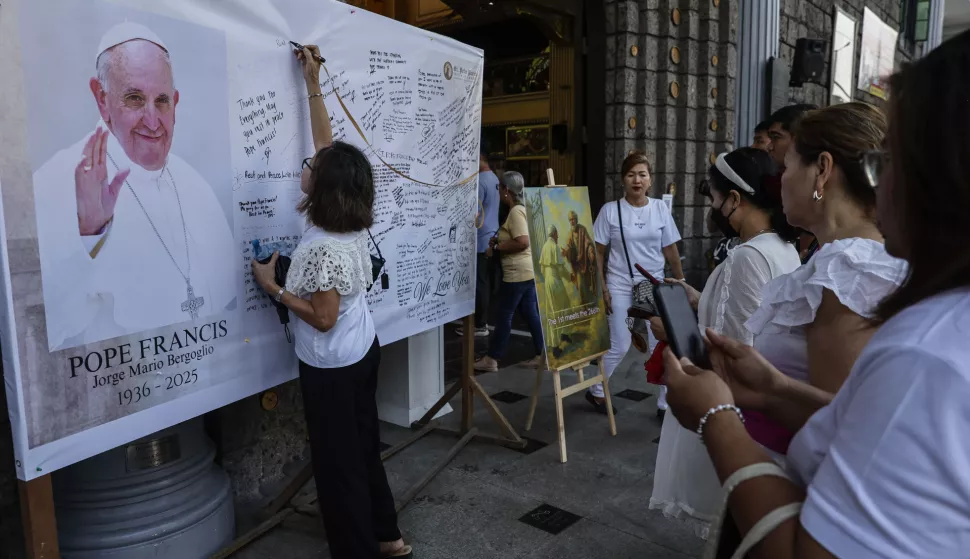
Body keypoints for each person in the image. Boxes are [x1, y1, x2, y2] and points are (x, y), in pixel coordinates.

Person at [663, 31, 970, 559]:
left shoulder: (922, 352)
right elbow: (861, 428)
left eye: (891, 160)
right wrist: (774, 390)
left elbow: (815, 528)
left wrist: (717, 416)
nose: (881, 183)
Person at [251, 45, 410, 559]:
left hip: (333, 365)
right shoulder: (345, 219)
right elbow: (328, 145)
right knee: (364, 448)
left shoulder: (320, 245)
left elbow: (322, 318)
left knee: (337, 466)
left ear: (321, 187)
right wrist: (311, 81)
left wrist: (273, 287)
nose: (308, 164)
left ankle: (357, 548)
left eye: (311, 167)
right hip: (361, 351)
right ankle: (388, 536)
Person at [32, 22, 234, 351]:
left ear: (176, 102)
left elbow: (227, 303)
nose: (153, 122)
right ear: (102, 99)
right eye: (135, 99)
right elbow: (44, 327)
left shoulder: (194, 183)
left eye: (163, 101)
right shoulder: (54, 181)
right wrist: (87, 232)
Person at [648, 148, 801, 538]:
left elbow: (736, 347)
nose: (713, 208)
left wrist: (672, 329)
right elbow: (752, 316)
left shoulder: (746, 257)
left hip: (734, 408)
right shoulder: (780, 248)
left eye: (714, 198)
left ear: (734, 199)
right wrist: (701, 300)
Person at [592, 151, 683, 416]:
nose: (637, 180)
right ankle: (597, 391)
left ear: (650, 180)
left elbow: (671, 249)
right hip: (620, 284)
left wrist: (681, 281)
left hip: (653, 286)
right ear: (623, 179)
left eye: (642, 174)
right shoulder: (611, 211)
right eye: (631, 174)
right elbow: (597, 251)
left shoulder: (660, 209)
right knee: (620, 343)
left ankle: (664, 403)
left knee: (660, 344)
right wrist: (603, 289)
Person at [473, 172, 545, 372]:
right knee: (530, 313)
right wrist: (500, 242)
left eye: (499, 188)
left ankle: (492, 358)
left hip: (516, 273)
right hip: (527, 271)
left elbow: (522, 241)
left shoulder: (516, 212)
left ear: (506, 190)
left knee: (504, 314)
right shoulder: (524, 209)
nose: (498, 193)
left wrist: (497, 248)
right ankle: (543, 353)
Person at [463, 150, 500, 337]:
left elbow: (474, 214)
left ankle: (479, 324)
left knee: (480, 282)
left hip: (480, 237)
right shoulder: (495, 179)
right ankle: (482, 322)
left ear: (480, 159)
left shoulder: (480, 182)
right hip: (492, 235)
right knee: (486, 281)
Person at [563, 210, 598, 303]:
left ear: (576, 219)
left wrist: (590, 250)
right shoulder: (570, 233)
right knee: (580, 284)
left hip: (585, 261)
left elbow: (588, 242)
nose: (572, 221)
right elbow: (568, 245)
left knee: (587, 284)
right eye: (570, 220)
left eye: (573, 219)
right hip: (577, 264)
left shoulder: (582, 229)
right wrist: (566, 251)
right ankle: (584, 304)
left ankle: (590, 304)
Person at [539, 225, 571, 313]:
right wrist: (570, 277)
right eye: (557, 234)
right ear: (554, 234)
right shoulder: (554, 246)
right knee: (565, 306)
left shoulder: (544, 247)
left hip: (547, 282)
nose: (558, 236)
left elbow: (542, 270)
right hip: (555, 281)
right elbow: (560, 269)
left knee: (552, 310)